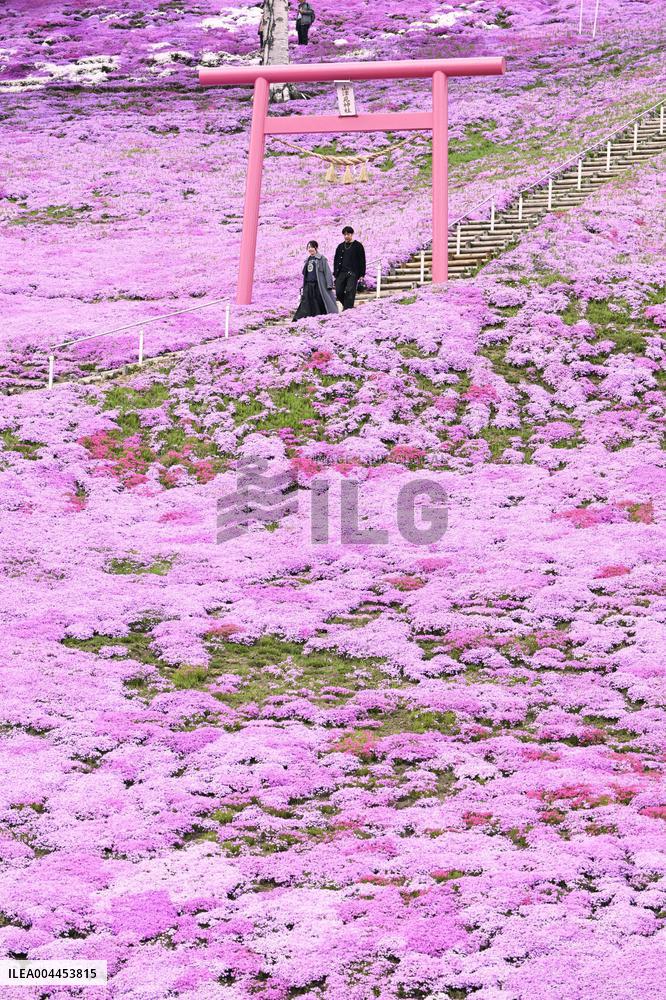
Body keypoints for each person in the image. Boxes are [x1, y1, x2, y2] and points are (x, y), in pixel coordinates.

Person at [293, 241, 338, 321]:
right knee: (306, 301)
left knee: (319, 301)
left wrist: (329, 284)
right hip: (308, 284)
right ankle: (302, 318)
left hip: (318, 284)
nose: (310, 249)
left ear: (316, 248)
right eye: (308, 247)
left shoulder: (321, 258)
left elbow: (327, 272)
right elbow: (305, 272)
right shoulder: (308, 260)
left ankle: (320, 316)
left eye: (311, 247)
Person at [333, 226, 366, 311]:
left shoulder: (358, 246)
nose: (346, 236)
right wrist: (335, 273)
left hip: (353, 273)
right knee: (338, 292)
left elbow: (362, 260)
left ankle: (347, 310)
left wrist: (362, 274)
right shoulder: (340, 246)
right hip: (341, 273)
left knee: (349, 291)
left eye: (348, 234)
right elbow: (336, 260)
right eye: (345, 235)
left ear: (352, 234)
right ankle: (348, 307)